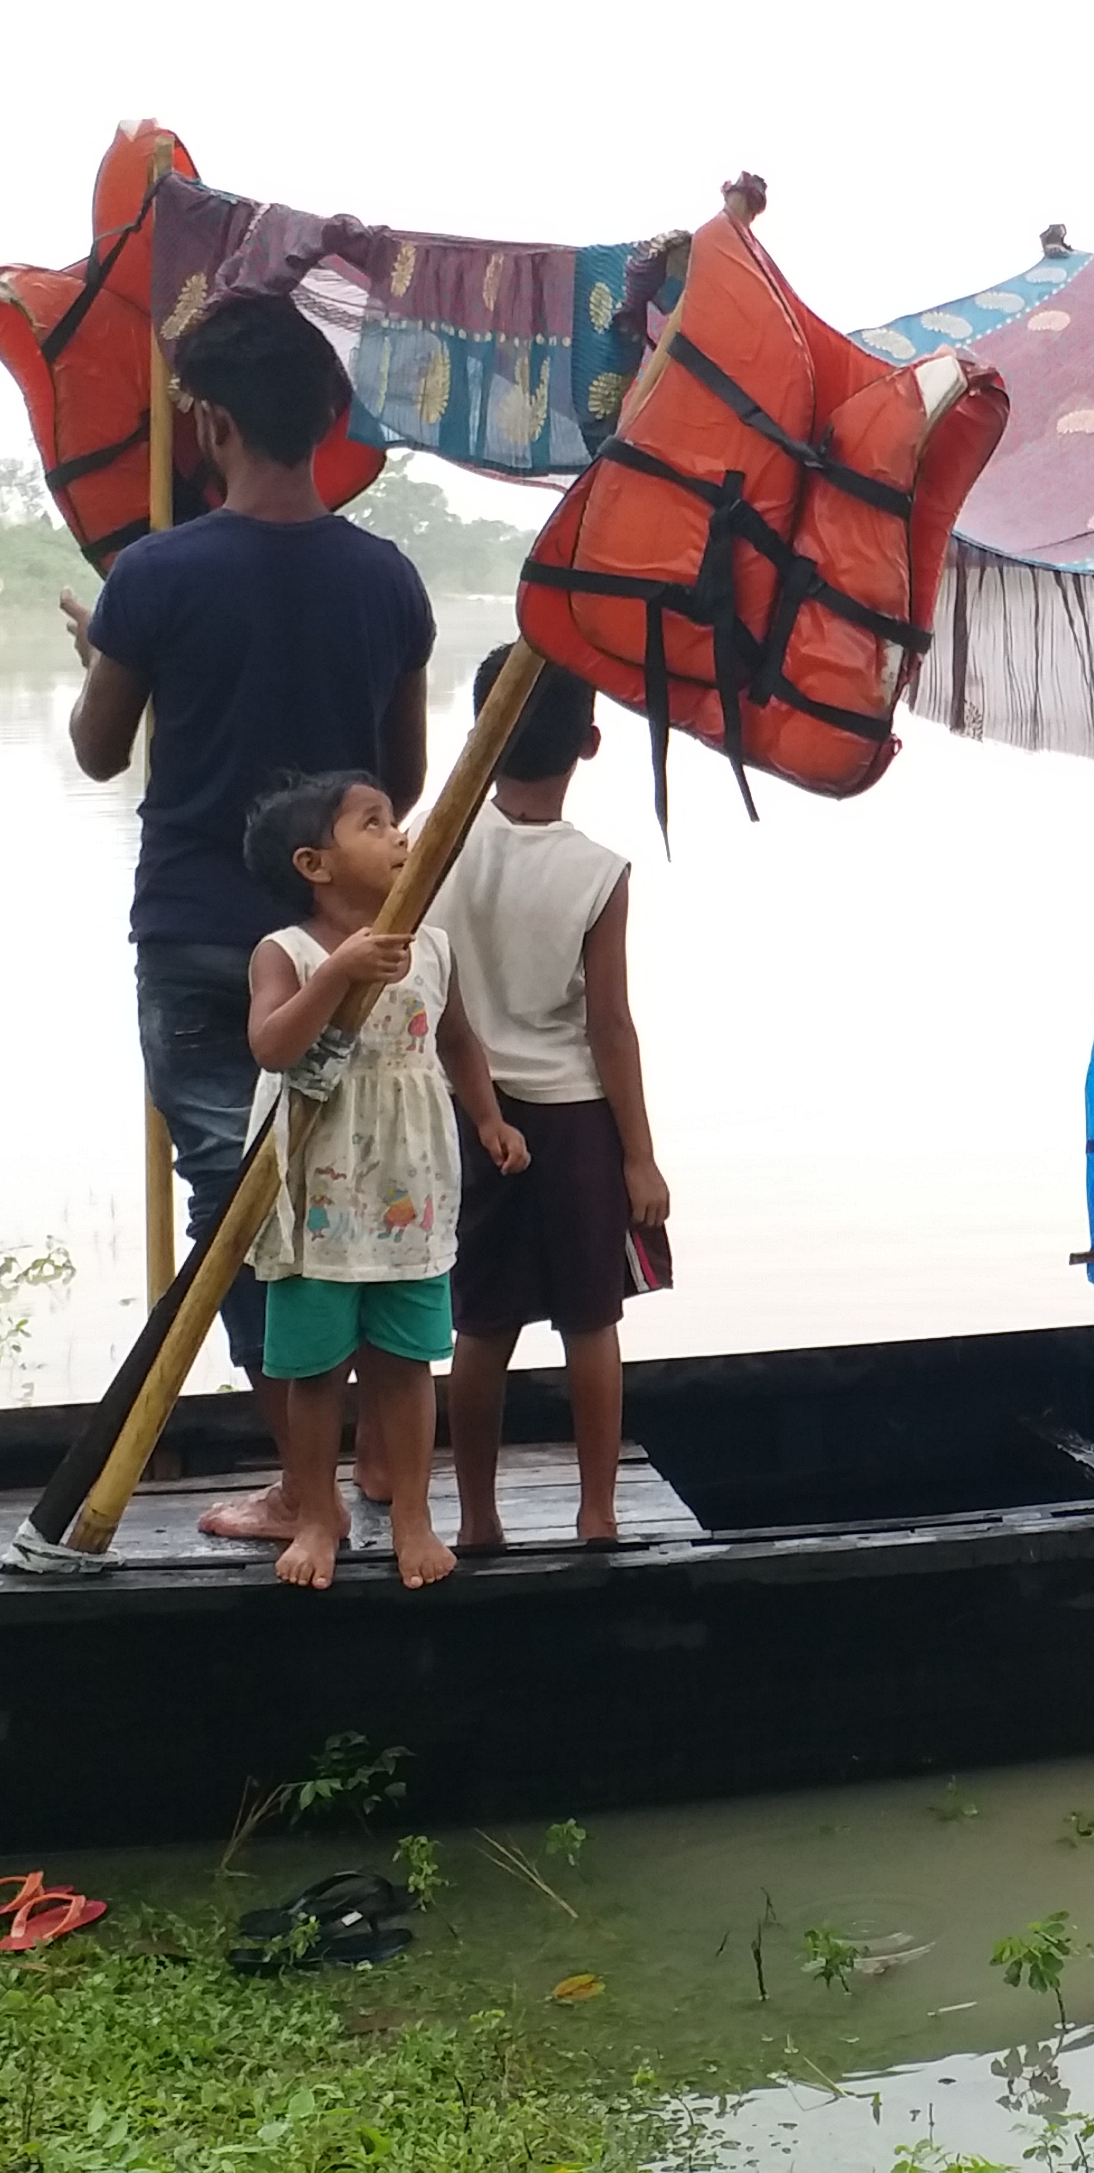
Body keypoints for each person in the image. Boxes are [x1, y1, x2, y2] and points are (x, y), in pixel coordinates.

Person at [60, 292, 433, 1543]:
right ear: (328, 423)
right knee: (349, 1189)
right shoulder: (388, 578)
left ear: (207, 422)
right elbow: (406, 781)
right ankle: (380, 1466)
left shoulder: (154, 577)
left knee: (243, 1215)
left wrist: (111, 653)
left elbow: (101, 752)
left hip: (200, 938)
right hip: (335, 946)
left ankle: (300, 1488)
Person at [236, 770, 524, 1589]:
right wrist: (338, 975)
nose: (400, 836)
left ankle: (413, 1518)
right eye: (373, 824)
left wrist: (490, 1119)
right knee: (317, 1370)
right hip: (318, 1195)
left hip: (407, 1187)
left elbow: (458, 1040)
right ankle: (319, 1515)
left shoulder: (429, 944)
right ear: (314, 865)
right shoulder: (285, 953)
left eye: (395, 821)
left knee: (404, 1361)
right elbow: (273, 1047)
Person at [441, 645, 675, 1550]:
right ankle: (598, 1513)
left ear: (480, 739)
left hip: (473, 1113)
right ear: (590, 741)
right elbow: (610, 1026)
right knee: (591, 1320)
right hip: (575, 1116)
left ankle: (478, 1519)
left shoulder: (434, 851)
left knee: (481, 1323)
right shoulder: (599, 870)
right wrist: (641, 1155)